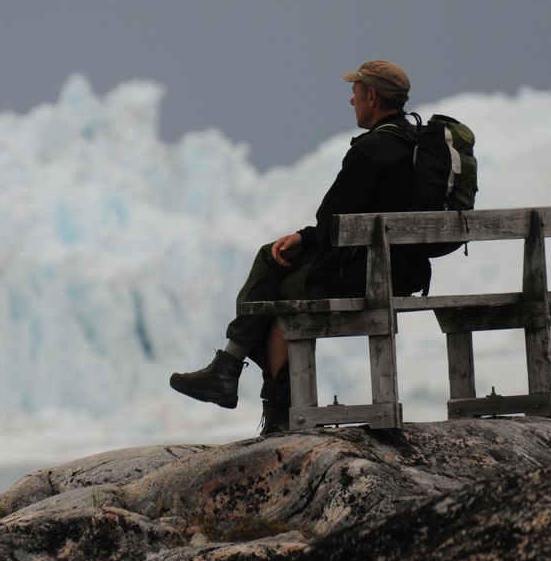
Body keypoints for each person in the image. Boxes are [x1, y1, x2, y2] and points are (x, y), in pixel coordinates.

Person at [169, 60, 431, 434]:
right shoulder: (415, 142)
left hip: (370, 273)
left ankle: (269, 407)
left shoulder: (372, 150)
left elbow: (331, 218)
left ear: (372, 96)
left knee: (280, 298)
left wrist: (305, 237)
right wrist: (305, 239)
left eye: (356, 92)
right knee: (272, 261)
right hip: (402, 267)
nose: (350, 100)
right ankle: (229, 371)